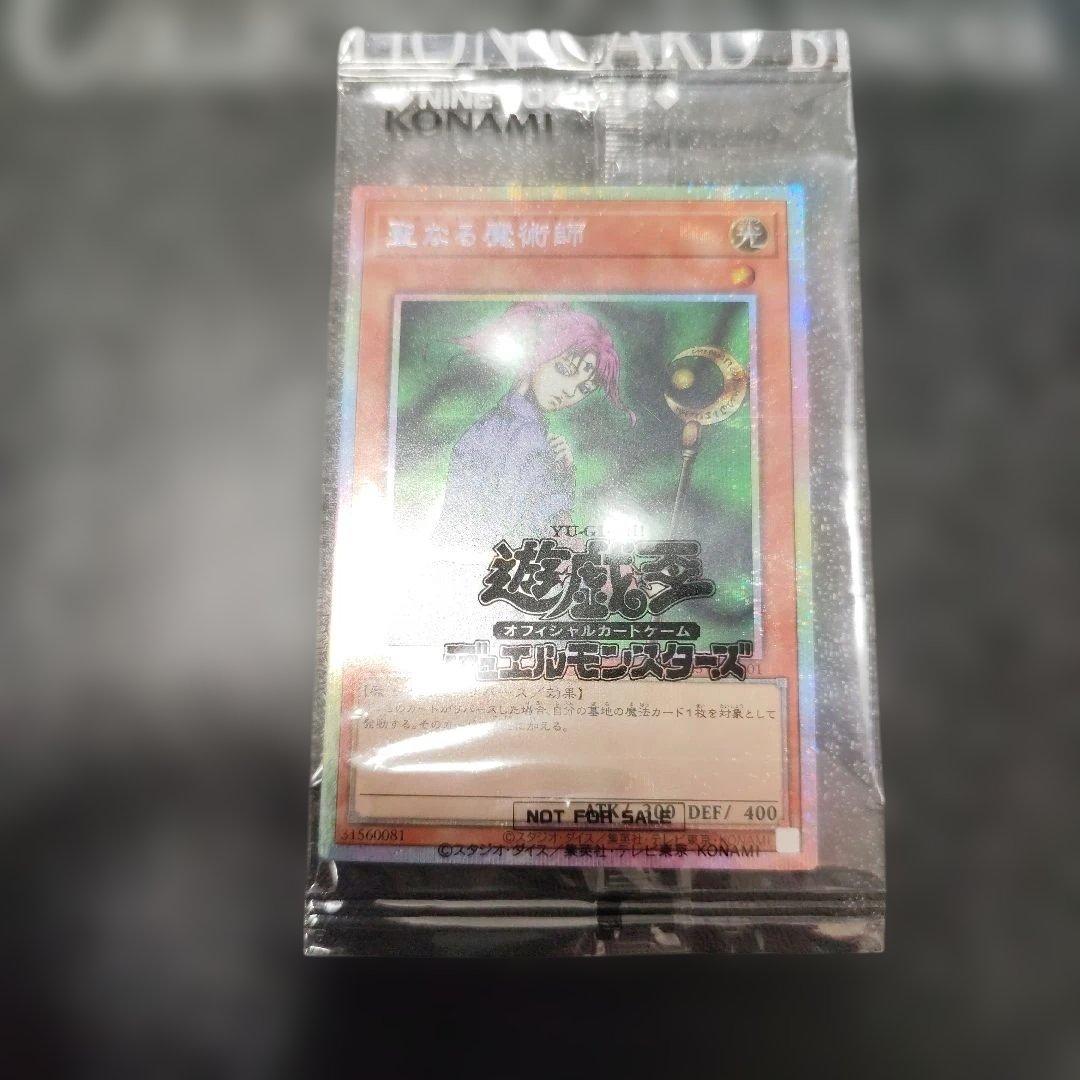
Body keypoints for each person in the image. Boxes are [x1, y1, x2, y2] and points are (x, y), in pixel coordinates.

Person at [432, 301, 634, 549]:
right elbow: (548, 530)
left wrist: (559, 474)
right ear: (537, 354)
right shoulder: (524, 435)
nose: (570, 391)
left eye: (584, 388)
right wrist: (558, 478)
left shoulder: (491, 425)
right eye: (564, 369)